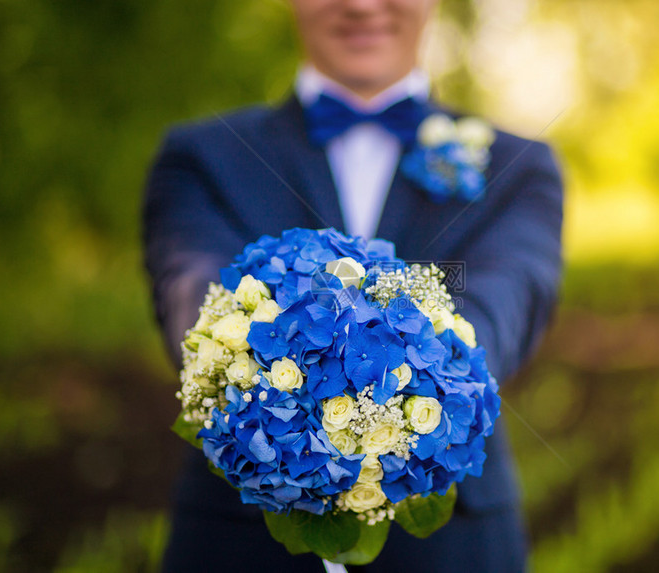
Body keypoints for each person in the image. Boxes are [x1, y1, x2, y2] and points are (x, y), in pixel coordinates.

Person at [143, 1, 563, 571]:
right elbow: (196, 304)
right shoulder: (201, 156)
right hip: (240, 537)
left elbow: (502, 303)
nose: (362, 4)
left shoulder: (521, 167)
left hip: (452, 543)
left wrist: (400, 412)